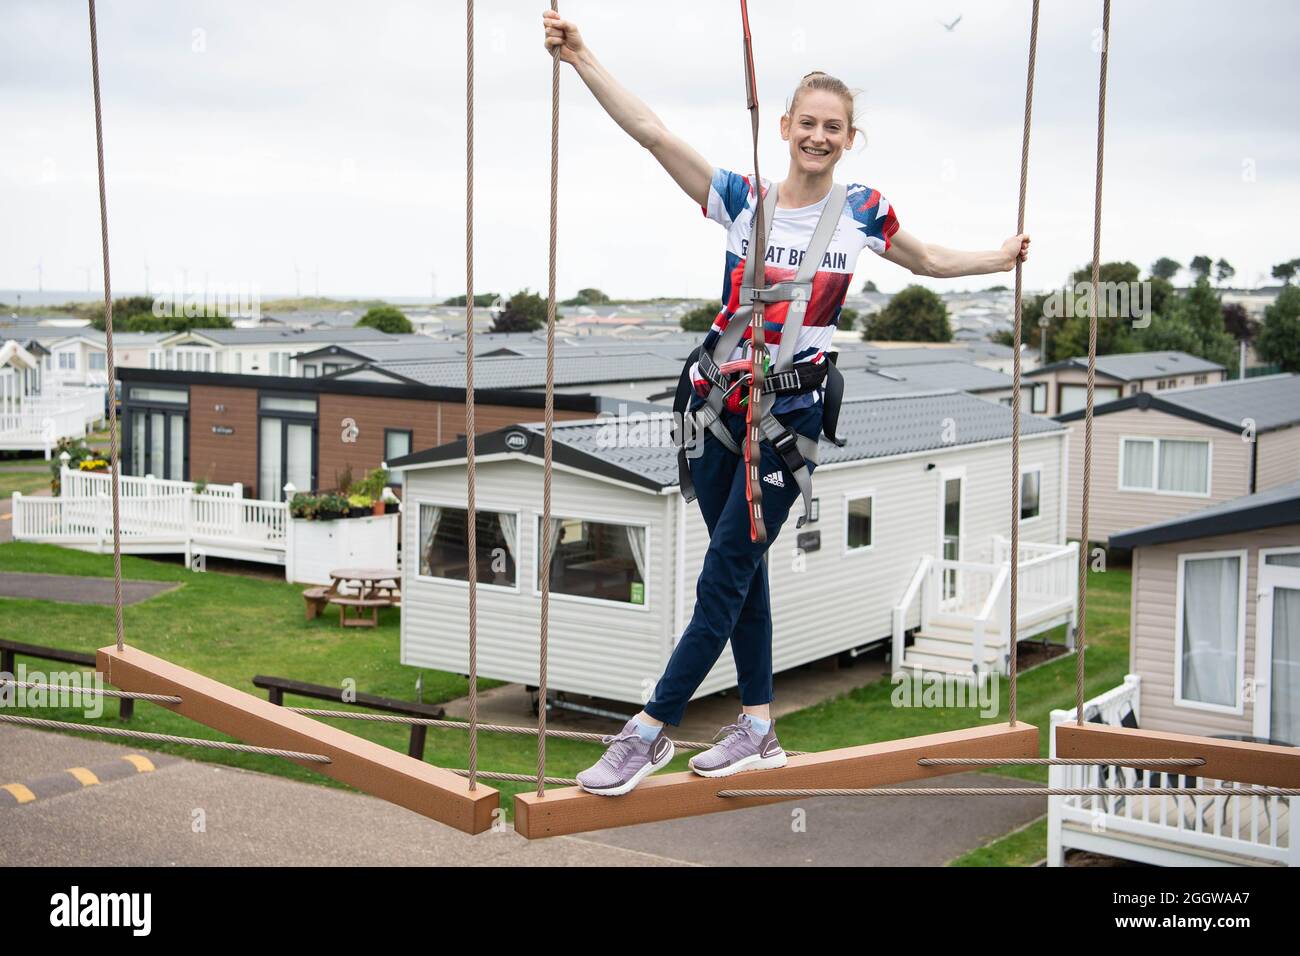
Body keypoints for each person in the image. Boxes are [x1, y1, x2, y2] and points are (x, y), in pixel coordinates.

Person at [541, 10, 1030, 796]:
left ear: (849, 137)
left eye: (834, 127)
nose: (820, 137)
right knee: (743, 575)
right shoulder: (741, 198)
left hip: (789, 417)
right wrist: (582, 56)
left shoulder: (863, 212)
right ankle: (760, 727)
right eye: (809, 123)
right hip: (708, 406)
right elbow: (653, 135)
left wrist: (997, 257)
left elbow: (930, 259)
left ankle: (650, 729)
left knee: (724, 573)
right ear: (785, 128)